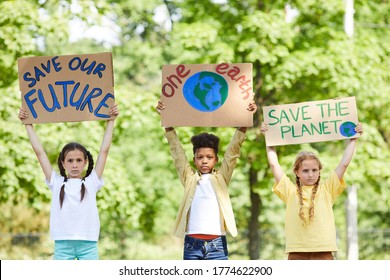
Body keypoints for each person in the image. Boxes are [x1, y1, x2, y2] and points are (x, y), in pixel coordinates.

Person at [156, 100, 257, 260]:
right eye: (200, 157)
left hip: (217, 244)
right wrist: (167, 122)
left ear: (216, 159)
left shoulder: (221, 178)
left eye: (209, 157)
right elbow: (177, 154)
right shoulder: (189, 178)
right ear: (194, 160)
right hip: (192, 244)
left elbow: (232, 152)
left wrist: (245, 121)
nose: (204, 161)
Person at [18, 104, 119, 260]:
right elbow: (39, 152)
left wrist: (111, 121)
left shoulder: (92, 182)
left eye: (78, 160)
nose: (74, 164)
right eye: (70, 160)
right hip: (62, 245)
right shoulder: (56, 183)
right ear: (63, 163)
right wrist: (27, 124)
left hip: (88, 245)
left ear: (85, 162)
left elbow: (104, 150)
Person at [260, 121, 363, 260]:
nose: (310, 174)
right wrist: (269, 138)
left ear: (319, 171)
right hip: (297, 252)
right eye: (305, 170)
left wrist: (353, 139)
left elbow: (344, 163)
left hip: (324, 251)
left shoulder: (327, 189)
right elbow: (273, 164)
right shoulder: (290, 191)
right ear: (297, 172)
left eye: (314, 170)